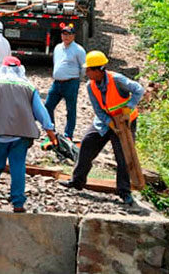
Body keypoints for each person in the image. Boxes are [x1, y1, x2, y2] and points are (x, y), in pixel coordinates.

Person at [59, 51, 145, 206]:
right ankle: (77, 181)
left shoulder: (117, 79)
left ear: (98, 70)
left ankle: (124, 192)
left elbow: (139, 89)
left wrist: (128, 109)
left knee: (123, 156)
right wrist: (109, 123)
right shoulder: (90, 86)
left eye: (89, 70)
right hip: (104, 121)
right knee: (87, 144)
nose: (86, 72)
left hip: (125, 122)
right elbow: (98, 109)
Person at [0, 56, 56, 212]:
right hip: (21, 135)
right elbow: (41, 111)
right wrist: (50, 131)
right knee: (18, 167)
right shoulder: (28, 86)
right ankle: (18, 202)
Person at [45, 24, 86, 139]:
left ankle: (68, 135)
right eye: (64, 34)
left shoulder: (78, 50)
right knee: (48, 106)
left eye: (69, 34)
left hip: (71, 82)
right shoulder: (58, 47)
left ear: (73, 36)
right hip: (57, 82)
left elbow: (84, 67)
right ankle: (51, 131)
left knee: (70, 110)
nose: (66, 37)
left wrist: (78, 79)